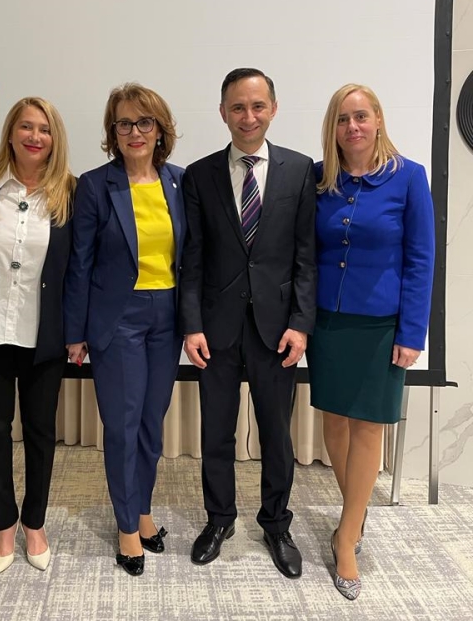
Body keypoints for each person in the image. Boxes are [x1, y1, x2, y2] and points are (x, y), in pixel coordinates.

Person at [180, 68, 317, 578]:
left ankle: (276, 524)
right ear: (223, 112)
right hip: (216, 329)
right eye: (238, 107)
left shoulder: (300, 171)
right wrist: (191, 324)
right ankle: (220, 519)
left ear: (273, 109)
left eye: (258, 106)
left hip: (277, 329)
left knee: (276, 435)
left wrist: (301, 323)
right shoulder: (199, 175)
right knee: (216, 432)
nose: (248, 116)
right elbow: (192, 258)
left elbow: (306, 257)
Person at [308, 84, 434, 600]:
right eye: (342, 119)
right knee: (334, 421)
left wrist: (412, 332)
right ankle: (354, 513)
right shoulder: (321, 179)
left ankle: (346, 539)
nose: (352, 127)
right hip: (327, 322)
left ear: (378, 119)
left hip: (381, 325)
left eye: (361, 116)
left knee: (368, 427)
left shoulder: (409, 177)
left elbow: (421, 259)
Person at [64, 83, 185, 576]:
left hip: (168, 318)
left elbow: (191, 258)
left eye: (145, 122)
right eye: (124, 123)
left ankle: (143, 510)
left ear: (160, 130)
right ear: (113, 132)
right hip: (118, 319)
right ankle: (126, 527)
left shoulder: (179, 182)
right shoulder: (96, 186)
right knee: (122, 425)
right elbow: (80, 263)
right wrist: (75, 331)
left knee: (152, 423)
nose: (135, 132)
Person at [0, 97, 76, 575]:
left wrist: (77, 331)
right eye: (26, 127)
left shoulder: (69, 192)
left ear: (55, 138)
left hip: (43, 335)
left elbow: (78, 269)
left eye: (44, 129)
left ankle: (34, 523)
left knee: (40, 431)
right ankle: (4, 523)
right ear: (10, 133)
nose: (35, 137)